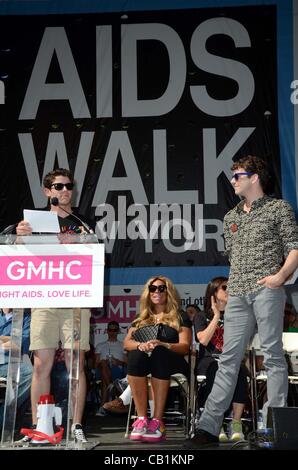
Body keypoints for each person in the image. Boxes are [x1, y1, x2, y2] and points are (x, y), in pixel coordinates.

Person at [186, 155, 298, 448]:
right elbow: (233, 257)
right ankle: (207, 429)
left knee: (273, 356)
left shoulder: (278, 209)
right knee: (227, 360)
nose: (233, 180)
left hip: (267, 289)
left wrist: (280, 276)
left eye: (238, 175)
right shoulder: (231, 217)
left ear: (255, 177)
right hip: (237, 292)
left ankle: (274, 428)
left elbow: (294, 248)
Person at [15, 168, 93, 444]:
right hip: (43, 296)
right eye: (58, 186)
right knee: (40, 365)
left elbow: (94, 254)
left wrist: (82, 240)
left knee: (76, 363)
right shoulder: (33, 220)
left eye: (68, 186)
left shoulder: (82, 220)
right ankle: (40, 425)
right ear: (47, 191)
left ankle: (76, 425)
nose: (64, 191)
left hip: (75, 298)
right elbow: (17, 249)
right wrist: (19, 235)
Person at [123, 276, 192, 442]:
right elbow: (127, 343)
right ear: (148, 293)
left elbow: (185, 346)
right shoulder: (141, 318)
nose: (157, 292)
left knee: (160, 352)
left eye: (162, 288)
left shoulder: (179, 316)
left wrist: (164, 344)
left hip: (173, 361)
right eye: (153, 288)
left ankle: (157, 421)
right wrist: (141, 345)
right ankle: (141, 419)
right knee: (136, 353)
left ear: (169, 292)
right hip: (147, 362)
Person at [194, 277, 249, 442]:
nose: (229, 290)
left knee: (238, 370)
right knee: (216, 370)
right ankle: (216, 423)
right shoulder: (201, 316)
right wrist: (217, 315)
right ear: (214, 293)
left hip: (231, 359)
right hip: (210, 361)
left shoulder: (237, 314)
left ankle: (236, 423)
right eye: (225, 287)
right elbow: (203, 340)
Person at [0, 309, 32, 427]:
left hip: (12, 363)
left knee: (29, 374)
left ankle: (4, 418)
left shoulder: (26, 318)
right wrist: (10, 339)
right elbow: (16, 341)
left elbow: (22, 344)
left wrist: (1, 340)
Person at [95, 321, 127, 406]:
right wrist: (103, 362)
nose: (112, 332)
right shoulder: (100, 345)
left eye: (115, 330)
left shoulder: (123, 345)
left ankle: (103, 406)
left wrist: (117, 361)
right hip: (102, 368)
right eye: (110, 330)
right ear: (107, 331)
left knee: (103, 380)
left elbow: (127, 362)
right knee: (103, 363)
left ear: (118, 331)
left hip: (118, 369)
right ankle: (112, 388)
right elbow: (95, 364)